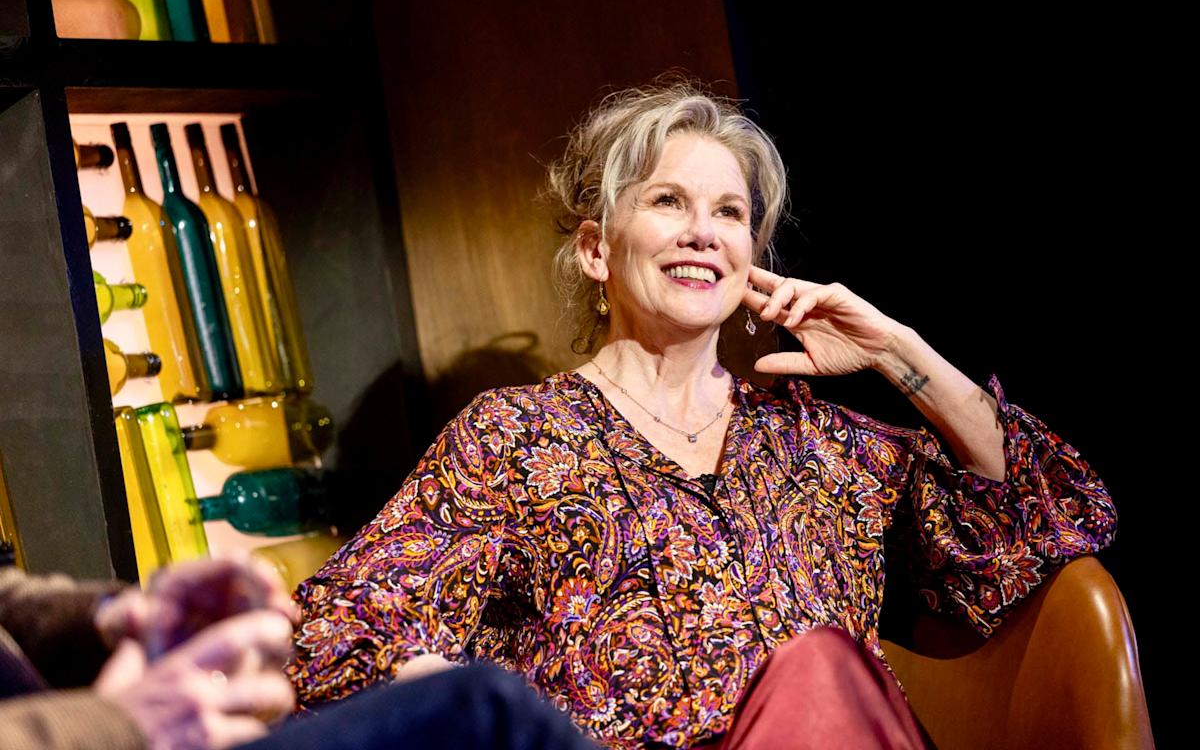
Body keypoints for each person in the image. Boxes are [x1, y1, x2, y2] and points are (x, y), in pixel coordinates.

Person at [286, 81, 1118, 749]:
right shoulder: (514, 438)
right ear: (595, 249)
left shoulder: (820, 443)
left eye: (730, 213)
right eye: (667, 203)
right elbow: (345, 636)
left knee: (819, 674)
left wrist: (897, 352)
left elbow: (1050, 516)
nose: (703, 234)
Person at [1, 558, 596, 750]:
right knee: (482, 713)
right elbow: (351, 614)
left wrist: (113, 617)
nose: (696, 253)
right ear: (594, 258)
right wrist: (118, 727)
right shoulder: (513, 428)